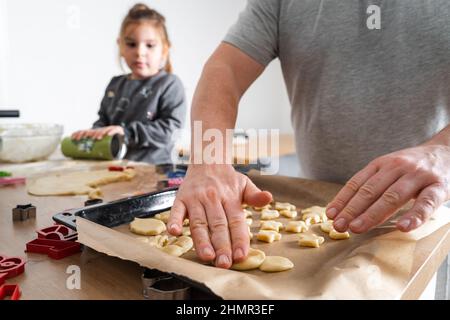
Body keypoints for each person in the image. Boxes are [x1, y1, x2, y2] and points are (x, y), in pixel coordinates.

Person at [167, 0, 450, 269]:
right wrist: (209, 160)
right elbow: (224, 70)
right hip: (318, 208)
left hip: (429, 214)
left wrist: (444, 150)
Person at [72, 4, 186, 164]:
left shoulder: (169, 84)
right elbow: (104, 121)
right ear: (120, 46)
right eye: (131, 44)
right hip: (116, 168)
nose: (140, 52)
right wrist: (94, 134)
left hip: (155, 172)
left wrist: (127, 132)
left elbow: (170, 130)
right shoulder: (115, 84)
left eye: (150, 45)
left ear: (165, 49)